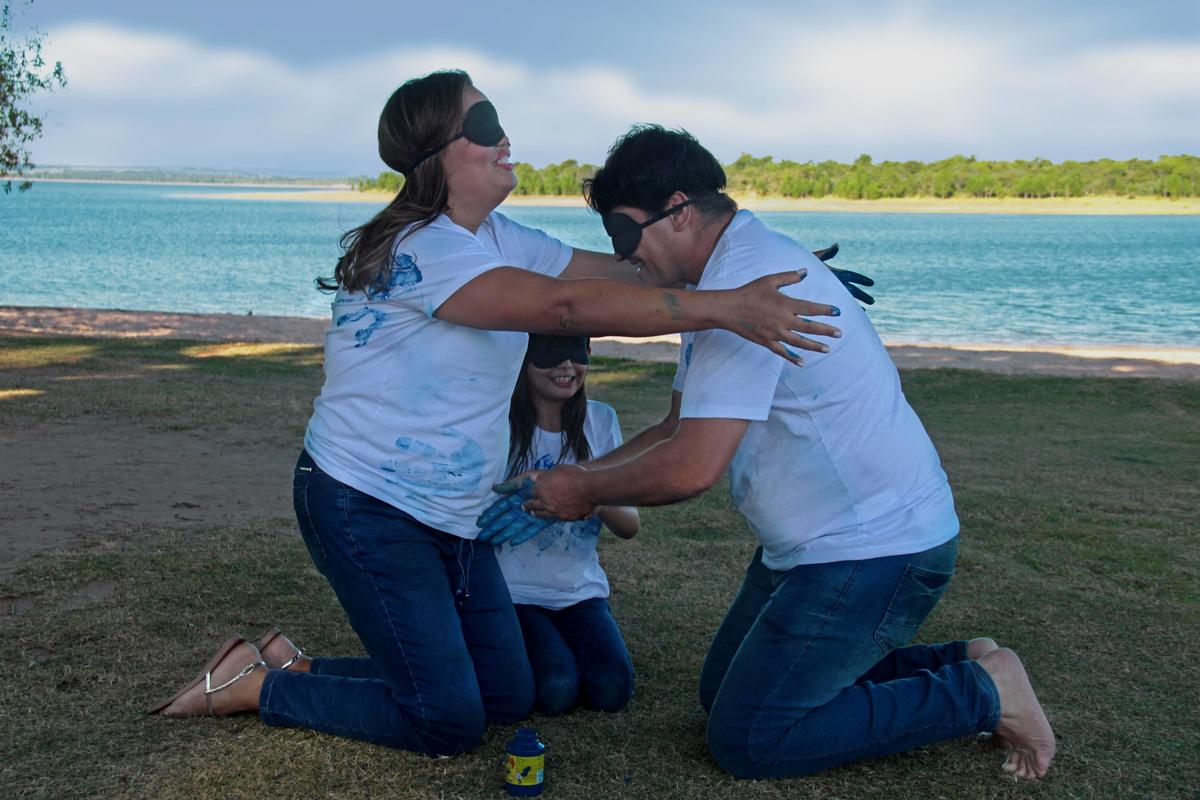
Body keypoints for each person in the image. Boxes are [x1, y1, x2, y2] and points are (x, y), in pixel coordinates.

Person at [147, 70, 845, 758]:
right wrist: (728, 307)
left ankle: (286, 664)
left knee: (506, 695)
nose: (504, 136)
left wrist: (747, 266)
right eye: (483, 125)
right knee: (445, 723)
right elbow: (564, 308)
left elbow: (627, 273)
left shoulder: (501, 237)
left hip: (453, 511)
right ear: (437, 152)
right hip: (367, 503)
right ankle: (255, 689)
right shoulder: (422, 249)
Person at [478, 125, 1056, 780]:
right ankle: (964, 663)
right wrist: (573, 474)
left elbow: (691, 466)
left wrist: (578, 493)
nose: (625, 258)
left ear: (681, 210)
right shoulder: (728, 281)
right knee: (721, 695)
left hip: (873, 549)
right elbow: (674, 426)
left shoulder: (751, 287)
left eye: (626, 235)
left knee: (750, 739)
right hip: (817, 549)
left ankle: (983, 694)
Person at [495, 334, 639, 716]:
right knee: (556, 690)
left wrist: (587, 491)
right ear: (523, 359)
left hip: (579, 594)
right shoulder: (498, 424)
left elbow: (629, 525)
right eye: (549, 353)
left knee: (612, 690)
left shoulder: (601, 420)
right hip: (512, 594)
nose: (566, 365)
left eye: (576, 352)